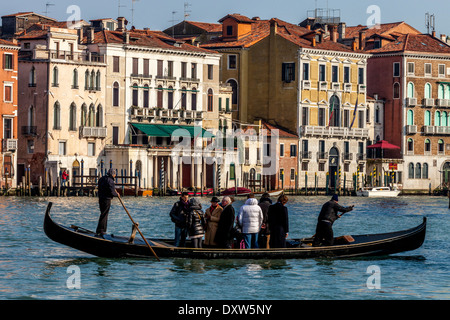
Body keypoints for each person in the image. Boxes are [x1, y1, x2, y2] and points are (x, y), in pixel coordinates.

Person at [96, 168, 119, 236]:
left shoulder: (102, 179)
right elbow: (112, 192)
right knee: (104, 214)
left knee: (102, 214)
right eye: (114, 174)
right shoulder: (111, 181)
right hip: (106, 199)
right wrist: (117, 195)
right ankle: (102, 230)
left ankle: (99, 230)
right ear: (112, 174)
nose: (115, 176)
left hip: (101, 198)